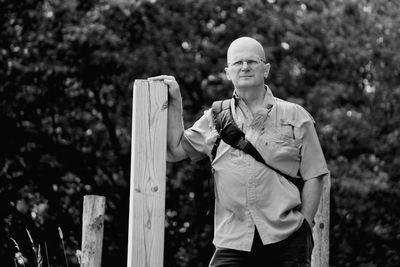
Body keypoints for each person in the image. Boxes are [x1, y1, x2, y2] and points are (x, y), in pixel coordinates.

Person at [149, 36, 329, 267]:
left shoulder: (296, 116)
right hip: (233, 240)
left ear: (266, 69)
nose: (245, 67)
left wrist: (305, 223)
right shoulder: (215, 118)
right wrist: (175, 100)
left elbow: (315, 173)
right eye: (237, 63)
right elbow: (174, 151)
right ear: (228, 72)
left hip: (286, 237)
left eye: (252, 62)